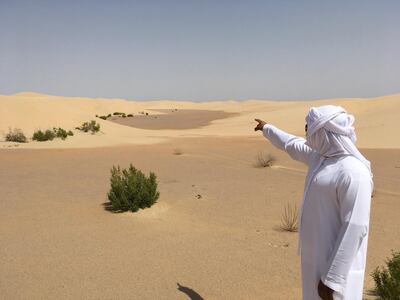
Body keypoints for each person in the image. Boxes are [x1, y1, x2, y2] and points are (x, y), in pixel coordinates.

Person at [254, 105, 373, 300]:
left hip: (336, 273)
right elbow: (290, 143)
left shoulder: (353, 172)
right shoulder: (319, 158)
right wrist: (267, 129)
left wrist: (333, 279)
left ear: (323, 133)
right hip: (315, 261)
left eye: (309, 127)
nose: (306, 132)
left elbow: (356, 227)